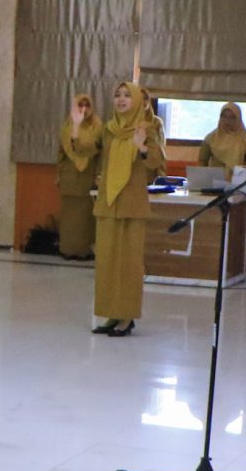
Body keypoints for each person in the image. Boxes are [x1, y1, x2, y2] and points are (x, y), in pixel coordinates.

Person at [90, 81, 166, 337]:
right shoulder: (108, 129)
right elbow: (88, 151)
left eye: (127, 95)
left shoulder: (147, 128)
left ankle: (127, 317)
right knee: (107, 263)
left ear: (137, 101)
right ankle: (111, 314)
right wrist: (77, 126)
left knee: (129, 265)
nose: (121, 99)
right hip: (108, 204)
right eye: (117, 95)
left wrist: (142, 147)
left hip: (132, 206)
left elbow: (157, 162)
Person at [55, 93, 100, 261]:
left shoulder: (97, 126)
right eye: (80, 105)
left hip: (89, 175)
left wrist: (99, 174)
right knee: (69, 217)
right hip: (69, 175)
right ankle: (68, 249)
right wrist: (58, 174)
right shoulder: (67, 126)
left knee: (86, 216)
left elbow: (99, 153)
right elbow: (61, 153)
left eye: (87, 105)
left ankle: (85, 251)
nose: (83, 109)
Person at [197, 102, 246, 170]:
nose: (227, 121)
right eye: (224, 116)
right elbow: (202, 162)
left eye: (232, 117)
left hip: (239, 176)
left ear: (238, 119)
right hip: (215, 176)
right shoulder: (211, 138)